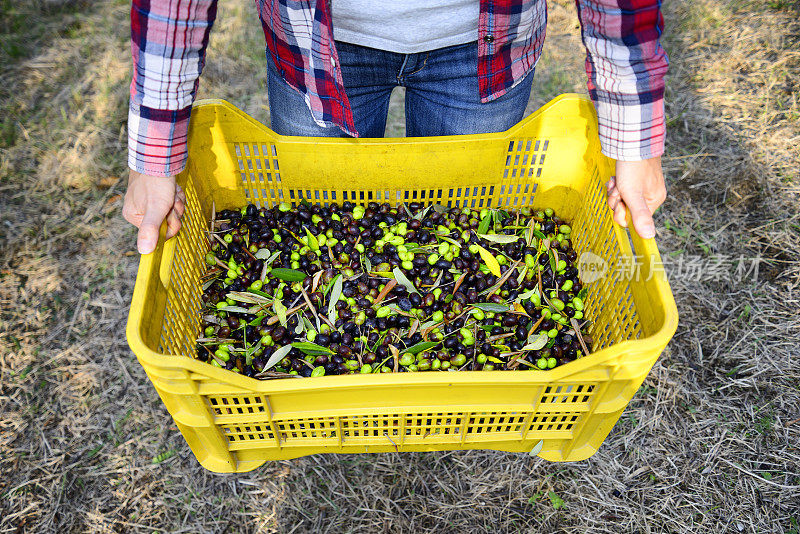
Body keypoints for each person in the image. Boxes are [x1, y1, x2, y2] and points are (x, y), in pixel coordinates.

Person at [123, 0, 668, 254]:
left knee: (461, 235)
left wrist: (635, 135)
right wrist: (154, 152)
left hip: (483, 44)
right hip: (315, 45)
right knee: (321, 239)